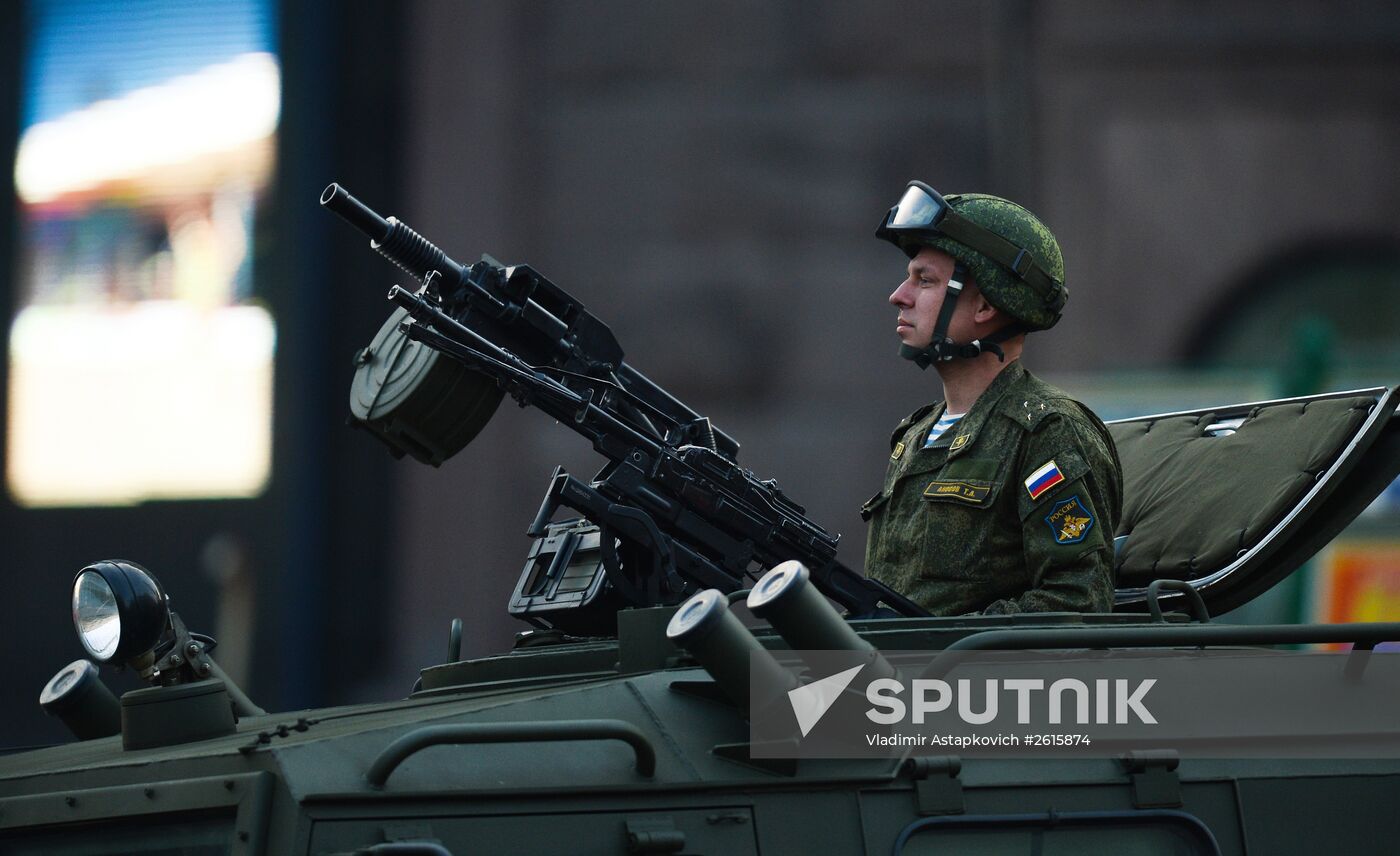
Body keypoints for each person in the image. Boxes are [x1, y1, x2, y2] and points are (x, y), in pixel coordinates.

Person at [861, 181, 1122, 616]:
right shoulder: (916, 435)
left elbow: (1077, 602)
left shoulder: (1048, 431)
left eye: (924, 281)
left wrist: (940, 646)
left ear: (984, 306)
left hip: (969, 683)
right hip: (900, 678)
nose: (898, 296)